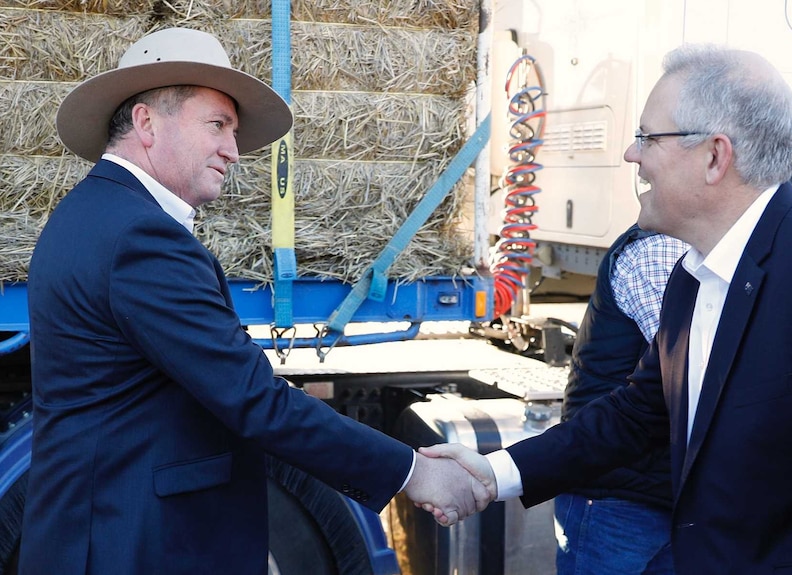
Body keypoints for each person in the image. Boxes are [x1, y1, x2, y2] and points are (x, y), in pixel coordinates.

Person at [20, 27, 488, 574]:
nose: (234, 151)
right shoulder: (139, 237)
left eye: (234, 132)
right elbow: (251, 397)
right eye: (217, 125)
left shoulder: (97, 213)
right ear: (146, 123)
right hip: (131, 544)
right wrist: (413, 471)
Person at [422, 43, 792, 574]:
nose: (632, 155)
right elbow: (636, 414)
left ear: (715, 156)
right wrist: (495, 473)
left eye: (648, 137)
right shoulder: (690, 275)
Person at [556, 224, 686, 575]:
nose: (635, 164)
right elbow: (694, 371)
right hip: (622, 499)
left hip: (665, 491)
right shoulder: (659, 250)